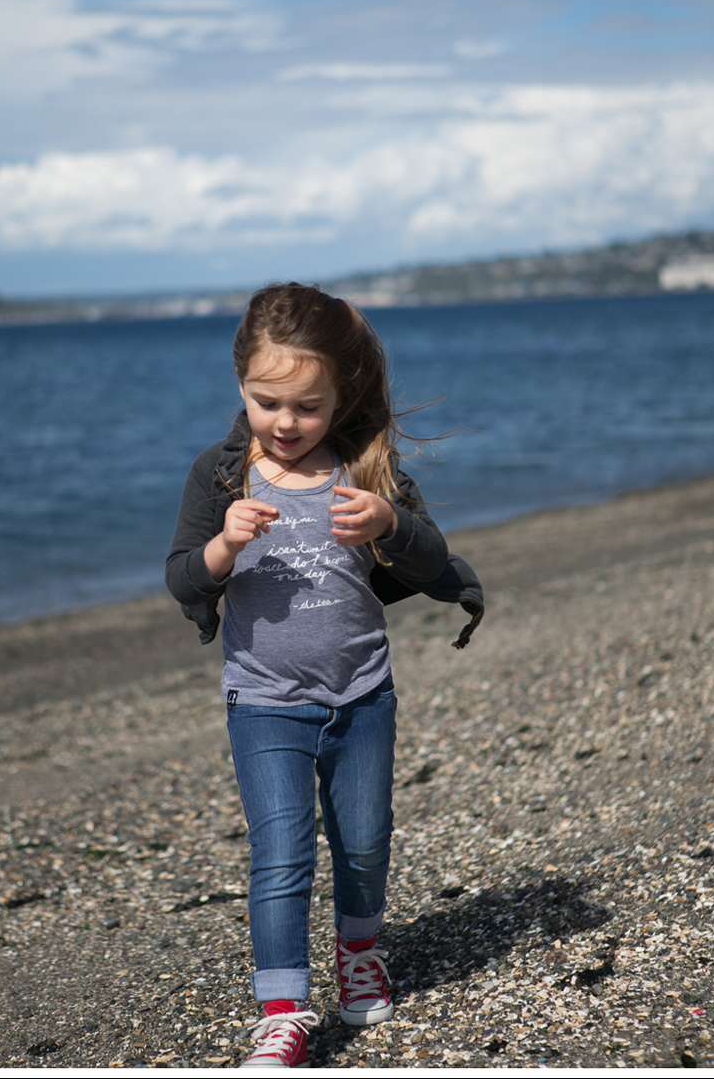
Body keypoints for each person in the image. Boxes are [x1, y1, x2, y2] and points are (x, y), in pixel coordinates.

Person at [166, 283, 483, 1068]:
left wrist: (391, 523)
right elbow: (182, 581)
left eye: (306, 407)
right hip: (264, 701)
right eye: (267, 401)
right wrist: (223, 548)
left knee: (365, 842)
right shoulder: (221, 475)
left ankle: (360, 954)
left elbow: (432, 557)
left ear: (341, 396)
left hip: (362, 695)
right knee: (281, 853)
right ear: (240, 383)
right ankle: (280, 1010)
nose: (284, 422)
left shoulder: (365, 466)